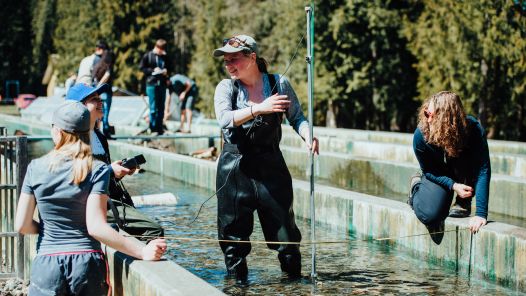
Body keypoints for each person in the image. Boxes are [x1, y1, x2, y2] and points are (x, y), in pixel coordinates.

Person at [15, 101, 167, 296]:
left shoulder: (35, 168)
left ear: (58, 132)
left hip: (47, 263)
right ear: (87, 132)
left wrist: (49, 228)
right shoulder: (97, 169)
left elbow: (22, 225)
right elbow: (96, 227)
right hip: (86, 264)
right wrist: (142, 251)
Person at [213, 35, 319, 281]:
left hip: (272, 165)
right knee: (233, 237)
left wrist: (307, 135)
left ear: (252, 57)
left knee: (286, 234)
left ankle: (293, 285)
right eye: (225, 60)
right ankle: (238, 286)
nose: (229, 65)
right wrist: (259, 108)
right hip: (235, 167)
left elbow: (297, 117)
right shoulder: (226, 87)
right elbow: (224, 119)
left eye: (234, 59)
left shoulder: (278, 83)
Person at [65, 83, 165, 240]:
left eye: (100, 98)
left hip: (109, 199)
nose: (101, 102)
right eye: (94, 99)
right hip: (91, 205)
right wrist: (110, 170)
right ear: (79, 106)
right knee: (154, 231)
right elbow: (76, 178)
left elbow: (103, 176)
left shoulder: (99, 137)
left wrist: (119, 173)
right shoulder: (73, 139)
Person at [408, 91, 491, 244]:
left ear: (447, 119)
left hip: (460, 171)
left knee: (467, 157)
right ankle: (416, 187)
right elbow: (429, 170)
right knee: (431, 216)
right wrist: (452, 185)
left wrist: (481, 213)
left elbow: (482, 170)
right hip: (437, 174)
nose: (428, 119)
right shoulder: (421, 135)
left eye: (432, 115)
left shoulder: (472, 129)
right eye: (427, 113)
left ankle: (463, 201)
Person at [140, 39, 171, 135]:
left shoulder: (165, 57)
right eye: (161, 50)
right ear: (157, 47)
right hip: (151, 84)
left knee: (161, 107)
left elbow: (170, 67)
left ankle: (159, 128)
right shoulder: (148, 56)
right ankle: (152, 128)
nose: (162, 52)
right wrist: (152, 70)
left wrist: (166, 72)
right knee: (153, 108)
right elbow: (141, 68)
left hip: (162, 84)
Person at [92, 49, 115, 138]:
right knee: (105, 114)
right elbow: (107, 75)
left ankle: (97, 132)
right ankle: (106, 132)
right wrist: (100, 85)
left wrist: (97, 88)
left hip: (98, 93)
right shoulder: (109, 66)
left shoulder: (98, 65)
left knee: (98, 113)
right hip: (106, 91)